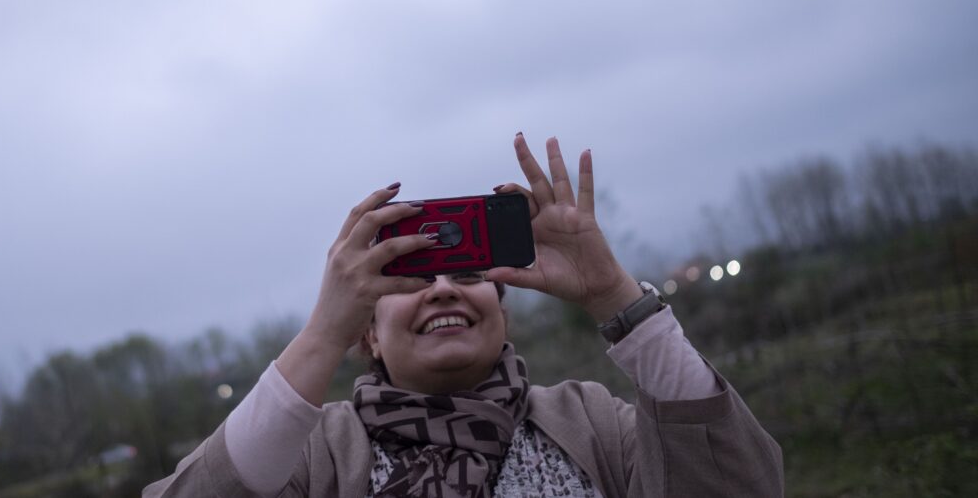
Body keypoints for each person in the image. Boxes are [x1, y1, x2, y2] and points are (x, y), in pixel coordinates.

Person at [144, 134, 783, 497]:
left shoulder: (592, 423)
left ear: (499, 308)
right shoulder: (313, 457)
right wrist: (321, 332)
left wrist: (615, 295)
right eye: (412, 279)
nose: (444, 287)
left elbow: (743, 485)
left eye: (471, 274)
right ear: (366, 328)